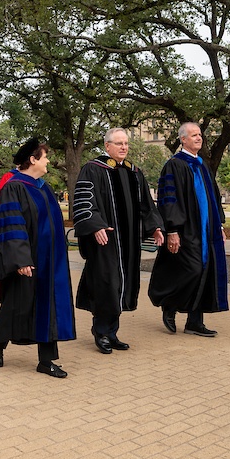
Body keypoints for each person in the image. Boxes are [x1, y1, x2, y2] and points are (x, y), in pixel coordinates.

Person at [0, 137, 76, 378]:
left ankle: (46, 361)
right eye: (44, 157)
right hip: (28, 260)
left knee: (49, 309)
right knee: (17, 305)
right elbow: (11, 226)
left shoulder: (43, 187)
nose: (48, 162)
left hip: (51, 262)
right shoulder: (14, 187)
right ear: (33, 159)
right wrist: (21, 259)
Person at [73, 127, 163, 353]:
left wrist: (155, 227)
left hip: (129, 242)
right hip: (106, 240)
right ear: (107, 146)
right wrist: (95, 226)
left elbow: (147, 205)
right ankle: (101, 331)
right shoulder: (92, 169)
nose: (124, 147)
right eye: (119, 143)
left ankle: (111, 332)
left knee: (122, 285)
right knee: (107, 284)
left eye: (126, 144)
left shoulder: (134, 172)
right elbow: (84, 202)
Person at [147, 122, 228, 337]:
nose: (198, 138)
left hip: (207, 231)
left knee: (205, 271)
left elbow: (214, 198)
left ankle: (195, 321)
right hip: (187, 230)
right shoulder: (174, 165)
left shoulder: (203, 165)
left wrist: (218, 224)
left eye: (199, 135)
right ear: (183, 139)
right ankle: (170, 306)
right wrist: (172, 230)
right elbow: (168, 200)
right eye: (193, 135)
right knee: (191, 270)